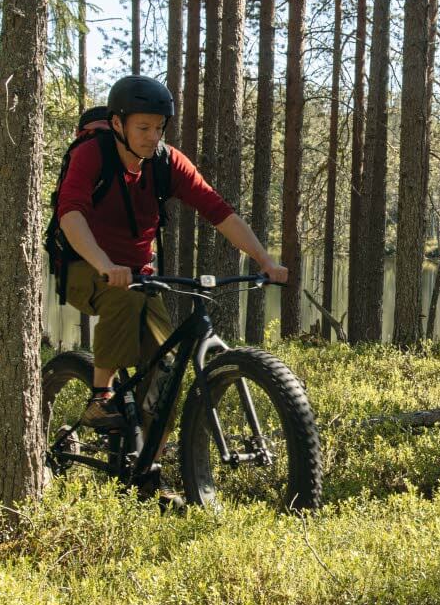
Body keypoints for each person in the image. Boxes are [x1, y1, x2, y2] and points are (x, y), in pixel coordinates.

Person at [55, 74, 288, 444]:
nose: (152, 136)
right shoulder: (91, 155)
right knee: (125, 296)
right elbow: (70, 214)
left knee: (165, 375)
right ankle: (101, 397)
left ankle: (150, 469)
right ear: (118, 124)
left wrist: (264, 260)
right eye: (143, 127)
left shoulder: (166, 162)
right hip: (85, 266)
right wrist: (103, 263)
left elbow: (219, 211)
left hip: (137, 276)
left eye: (159, 127)